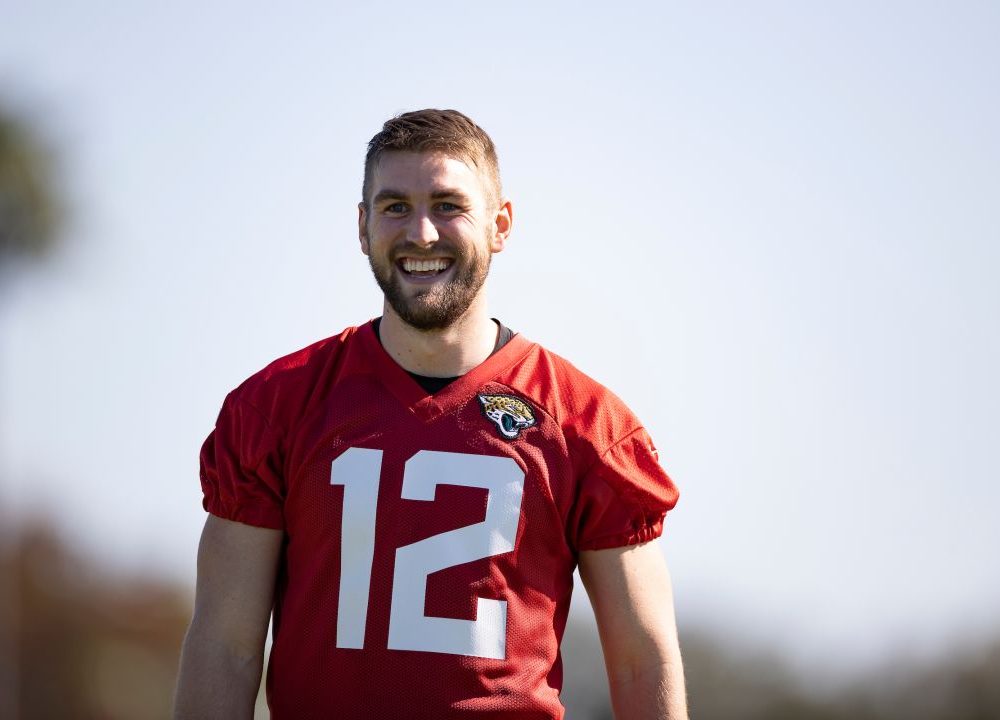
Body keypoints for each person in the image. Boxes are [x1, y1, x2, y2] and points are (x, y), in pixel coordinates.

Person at [173, 109, 687, 719]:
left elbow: (640, 660)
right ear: (362, 228)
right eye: (394, 207)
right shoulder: (277, 407)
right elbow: (227, 645)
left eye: (448, 205)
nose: (420, 232)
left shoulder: (586, 425)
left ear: (500, 224)